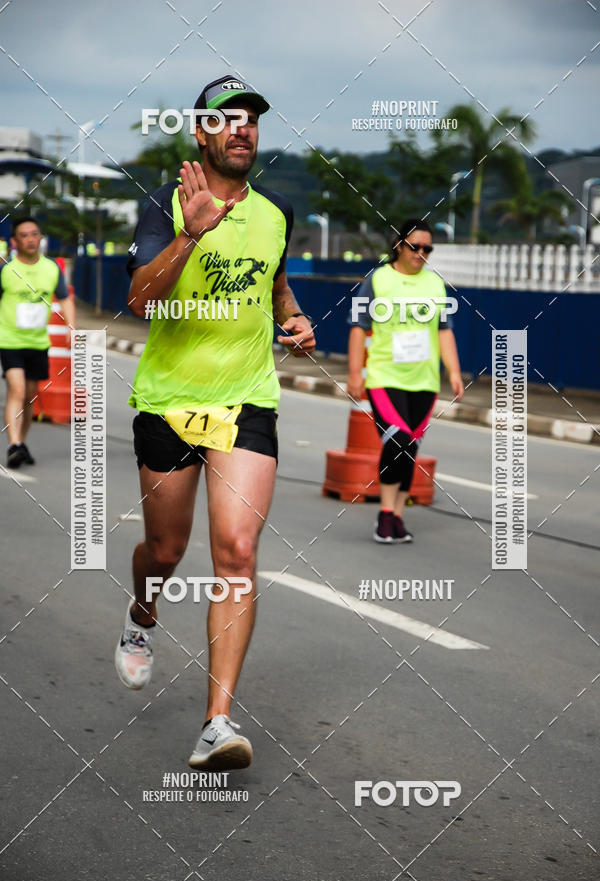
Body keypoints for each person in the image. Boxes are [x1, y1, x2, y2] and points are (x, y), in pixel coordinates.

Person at [115, 75, 315, 770]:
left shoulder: (276, 210)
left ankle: (216, 723)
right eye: (227, 119)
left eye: (251, 119)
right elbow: (141, 299)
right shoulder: (163, 204)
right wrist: (190, 235)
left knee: (236, 552)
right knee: (165, 552)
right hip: (170, 401)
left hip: (246, 399)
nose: (243, 129)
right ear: (200, 133)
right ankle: (142, 615)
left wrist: (293, 318)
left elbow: (276, 283)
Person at [347, 219, 463, 543]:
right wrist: (355, 373)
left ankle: (397, 516)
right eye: (415, 246)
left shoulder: (435, 284)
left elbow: (444, 331)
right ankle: (385, 514)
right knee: (396, 441)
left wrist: (454, 372)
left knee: (410, 448)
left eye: (427, 248)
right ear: (399, 245)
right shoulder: (378, 279)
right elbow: (358, 327)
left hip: (425, 381)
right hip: (384, 377)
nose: (420, 253)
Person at [0, 217, 74, 468]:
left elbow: (64, 298)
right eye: (24, 235)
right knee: (17, 390)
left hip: (38, 342)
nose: (30, 239)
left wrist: (71, 327)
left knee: (29, 398)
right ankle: (13, 445)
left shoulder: (51, 268)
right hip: (9, 341)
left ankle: (21, 442)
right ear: (14, 241)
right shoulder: (6, 270)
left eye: (34, 234)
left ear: (40, 238)